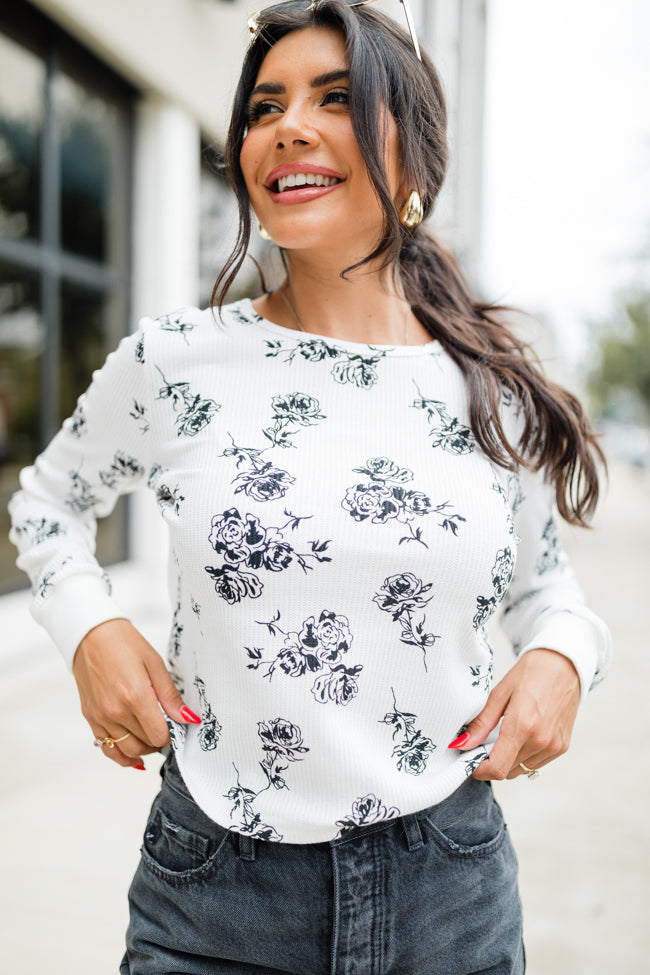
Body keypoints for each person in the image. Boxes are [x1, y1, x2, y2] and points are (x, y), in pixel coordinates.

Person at [9, 2, 612, 973]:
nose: (286, 124)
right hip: (214, 892)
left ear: (411, 163)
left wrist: (561, 661)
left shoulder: (490, 386)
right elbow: (46, 503)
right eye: (263, 107)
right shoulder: (174, 361)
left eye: (335, 98)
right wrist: (91, 627)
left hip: (446, 886)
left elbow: (551, 593)